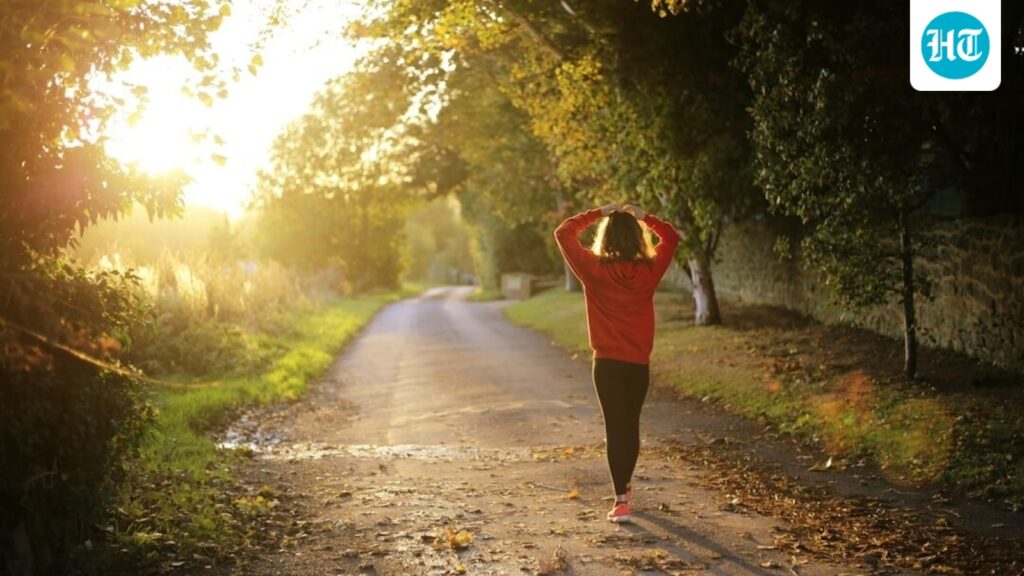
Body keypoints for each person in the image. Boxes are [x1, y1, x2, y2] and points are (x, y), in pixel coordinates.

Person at [554, 202, 681, 523]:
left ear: (605, 237)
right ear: (637, 238)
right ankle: (625, 486)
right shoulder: (649, 272)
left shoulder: (593, 270)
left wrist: (599, 212)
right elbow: (671, 237)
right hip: (638, 364)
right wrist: (644, 217)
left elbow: (564, 233)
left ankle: (621, 499)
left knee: (615, 427)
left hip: (607, 364)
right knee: (630, 425)